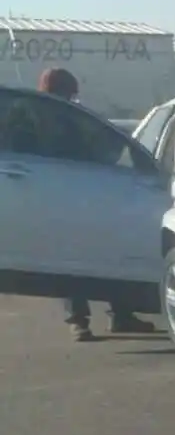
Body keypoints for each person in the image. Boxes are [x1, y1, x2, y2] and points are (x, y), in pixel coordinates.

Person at [36, 67, 157, 341]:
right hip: (62, 196)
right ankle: (83, 320)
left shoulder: (61, 116)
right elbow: (103, 149)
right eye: (70, 93)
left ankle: (115, 316)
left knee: (101, 255)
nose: (73, 99)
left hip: (79, 195)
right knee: (74, 258)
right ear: (65, 92)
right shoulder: (50, 118)